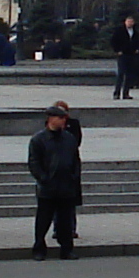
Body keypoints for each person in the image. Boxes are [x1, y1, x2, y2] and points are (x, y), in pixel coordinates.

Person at [26, 101, 84, 257]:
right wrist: (44, 179)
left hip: (66, 185)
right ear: (51, 119)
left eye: (64, 118)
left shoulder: (69, 138)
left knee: (66, 221)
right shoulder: (39, 139)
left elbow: (75, 160)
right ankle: (39, 248)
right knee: (43, 219)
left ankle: (67, 249)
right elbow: (34, 163)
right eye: (60, 118)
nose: (63, 121)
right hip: (48, 187)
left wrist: (74, 177)